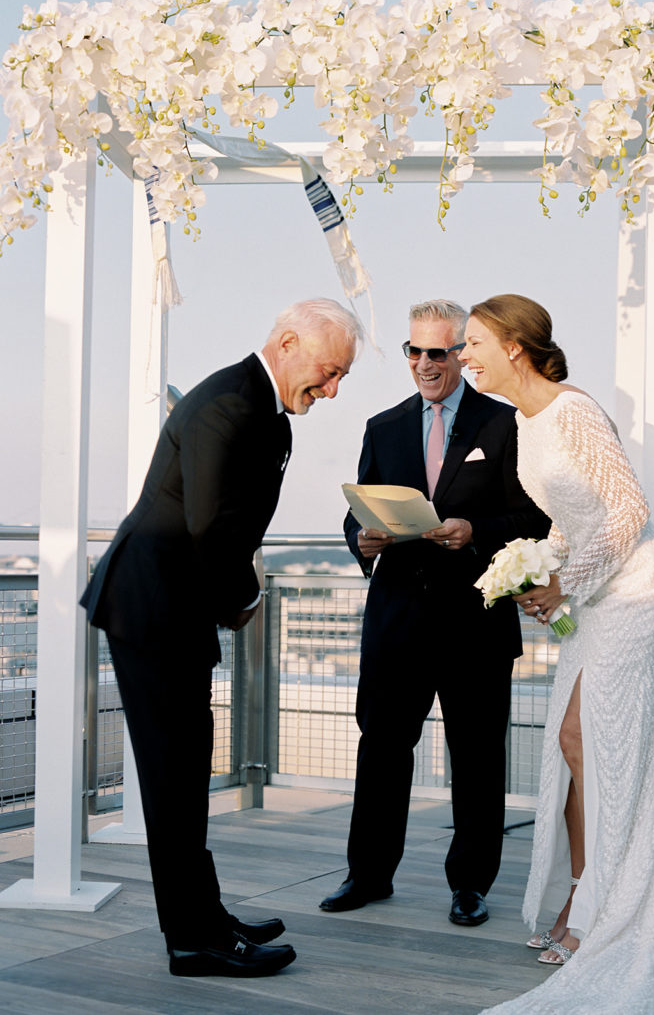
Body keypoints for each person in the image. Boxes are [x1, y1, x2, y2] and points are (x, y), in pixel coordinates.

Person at [459, 294, 654, 1013]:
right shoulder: (523, 420)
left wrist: (563, 582)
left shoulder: (574, 411)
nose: (464, 357)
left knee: (596, 745)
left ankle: (601, 913)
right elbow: (566, 518)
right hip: (590, 597)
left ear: (514, 346)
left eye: (472, 343)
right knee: (577, 743)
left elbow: (626, 509)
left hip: (637, 594)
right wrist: (532, 565)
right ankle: (590, 902)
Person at [81, 299, 360, 978]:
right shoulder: (230, 403)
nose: (331, 391)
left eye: (340, 378)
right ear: (289, 342)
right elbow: (212, 525)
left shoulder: (261, 407)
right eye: (328, 372)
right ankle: (193, 939)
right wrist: (247, 596)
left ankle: (206, 916)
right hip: (152, 609)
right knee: (174, 780)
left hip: (176, 609)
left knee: (188, 770)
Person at [319, 300, 550, 927]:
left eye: (439, 352)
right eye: (414, 351)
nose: (425, 364)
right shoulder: (382, 426)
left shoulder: (507, 424)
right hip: (397, 621)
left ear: (461, 354)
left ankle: (471, 884)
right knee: (382, 749)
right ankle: (366, 875)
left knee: (477, 758)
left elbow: (533, 519)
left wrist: (473, 528)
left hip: (475, 622)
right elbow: (358, 508)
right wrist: (360, 540)